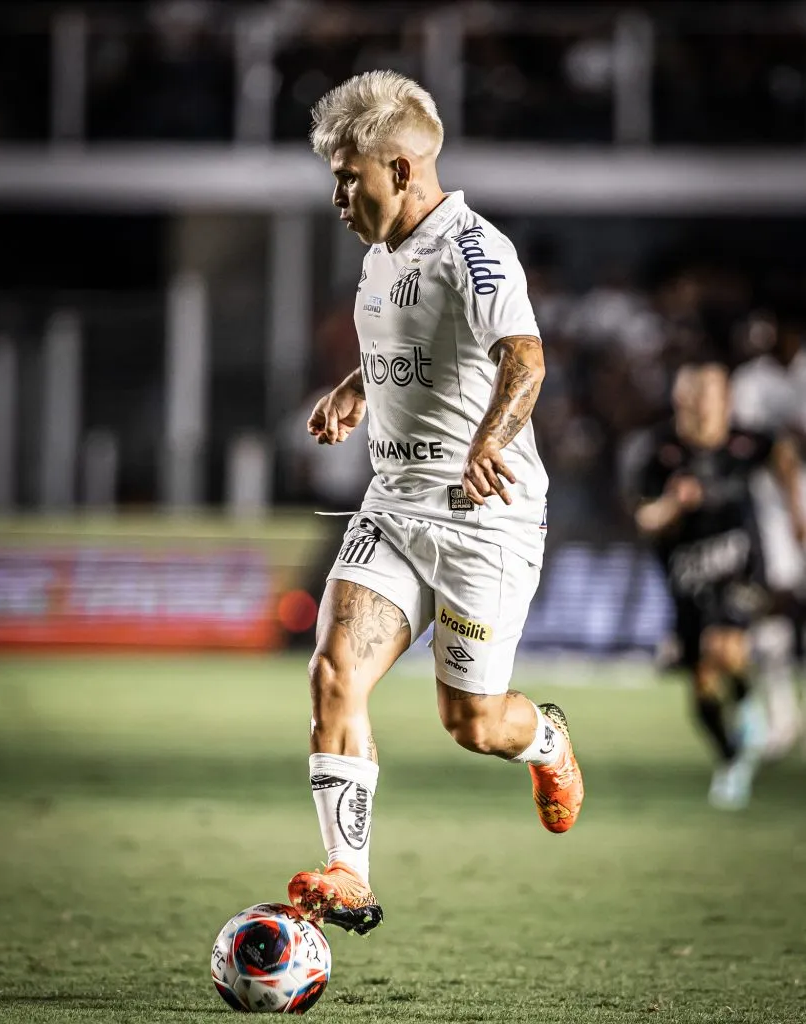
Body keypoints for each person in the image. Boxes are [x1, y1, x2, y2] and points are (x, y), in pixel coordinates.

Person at [286, 70, 584, 936]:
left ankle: (546, 741)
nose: (339, 196)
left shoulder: (473, 249)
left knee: (473, 723)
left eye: (351, 177)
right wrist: (354, 388)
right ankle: (348, 874)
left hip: (483, 519)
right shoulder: (381, 257)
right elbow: (417, 355)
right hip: (393, 506)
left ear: (404, 170)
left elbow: (522, 359)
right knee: (334, 672)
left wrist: (492, 438)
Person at [632, 362, 805, 810]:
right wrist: (673, 504)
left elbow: (783, 455)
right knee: (702, 686)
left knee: (722, 646)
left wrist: (795, 511)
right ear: (680, 399)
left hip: (740, 570)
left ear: (726, 399)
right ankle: (731, 755)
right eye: (695, 393)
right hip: (688, 579)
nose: (703, 402)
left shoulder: (744, 442)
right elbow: (645, 518)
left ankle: (748, 712)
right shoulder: (660, 451)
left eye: (712, 393)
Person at [730, 311, 806, 758]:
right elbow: (764, 450)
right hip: (772, 509)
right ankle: (782, 716)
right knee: (774, 604)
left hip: (790, 503)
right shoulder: (750, 381)